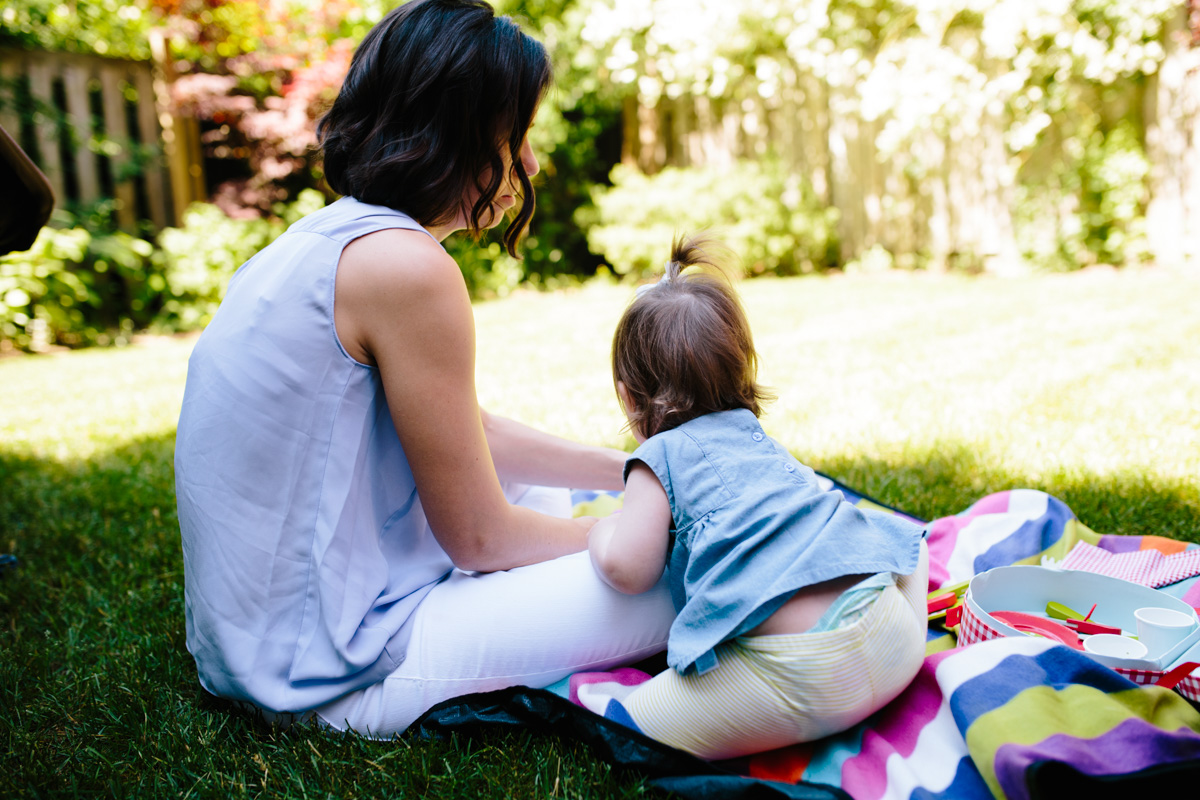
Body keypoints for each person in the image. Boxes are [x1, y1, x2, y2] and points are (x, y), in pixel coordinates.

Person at [174, 0, 673, 738]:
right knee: (692, 569)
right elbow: (479, 538)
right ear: (455, 131)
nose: (532, 163)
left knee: (553, 489)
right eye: (518, 134)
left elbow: (472, 434)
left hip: (253, 643)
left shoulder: (322, 240)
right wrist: (648, 530)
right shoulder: (408, 266)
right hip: (325, 675)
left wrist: (643, 470)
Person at [583, 235, 929, 760]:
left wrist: (601, 530)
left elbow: (628, 568)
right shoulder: (754, 436)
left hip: (805, 674)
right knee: (907, 545)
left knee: (625, 726)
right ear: (741, 370)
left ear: (629, 397)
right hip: (894, 639)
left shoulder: (658, 458)